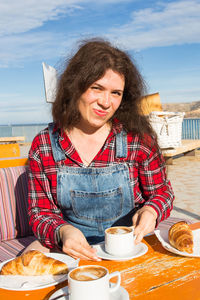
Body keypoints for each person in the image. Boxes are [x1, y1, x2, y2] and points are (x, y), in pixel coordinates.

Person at [27, 38, 174, 261]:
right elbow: (40, 212)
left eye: (116, 93)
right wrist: (63, 231)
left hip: (129, 244)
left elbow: (162, 192)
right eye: (97, 88)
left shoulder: (138, 140)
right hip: (72, 248)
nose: (106, 103)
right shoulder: (45, 146)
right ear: (75, 86)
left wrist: (151, 211)